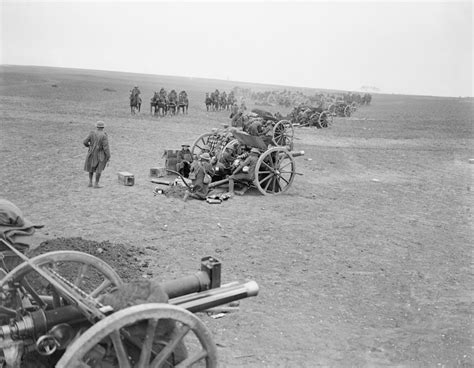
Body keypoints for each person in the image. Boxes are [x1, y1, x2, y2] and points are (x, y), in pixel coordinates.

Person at [83, 121, 111, 188]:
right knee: (99, 168)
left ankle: (90, 182)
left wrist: (89, 146)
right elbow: (106, 148)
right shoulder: (104, 135)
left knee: (91, 167)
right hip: (100, 154)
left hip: (91, 152)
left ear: (97, 127)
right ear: (103, 127)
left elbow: (85, 142)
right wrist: (108, 156)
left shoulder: (92, 133)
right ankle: (96, 184)